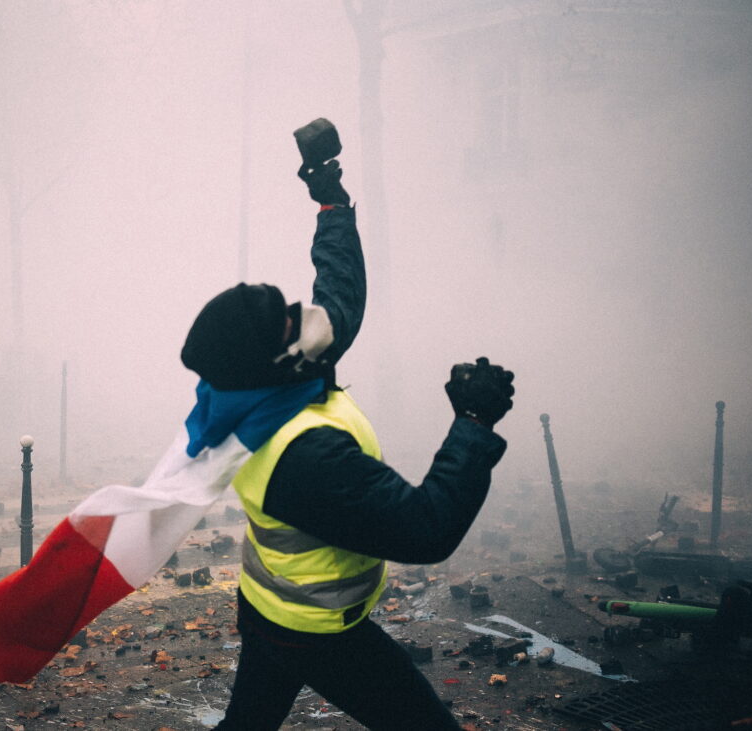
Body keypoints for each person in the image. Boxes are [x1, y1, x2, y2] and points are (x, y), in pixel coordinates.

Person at [180, 139, 514, 731]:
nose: (303, 314)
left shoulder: (250, 388)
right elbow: (424, 530)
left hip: (269, 609)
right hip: (314, 632)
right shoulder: (303, 453)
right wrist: (472, 425)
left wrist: (332, 207)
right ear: (278, 358)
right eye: (288, 318)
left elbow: (339, 296)